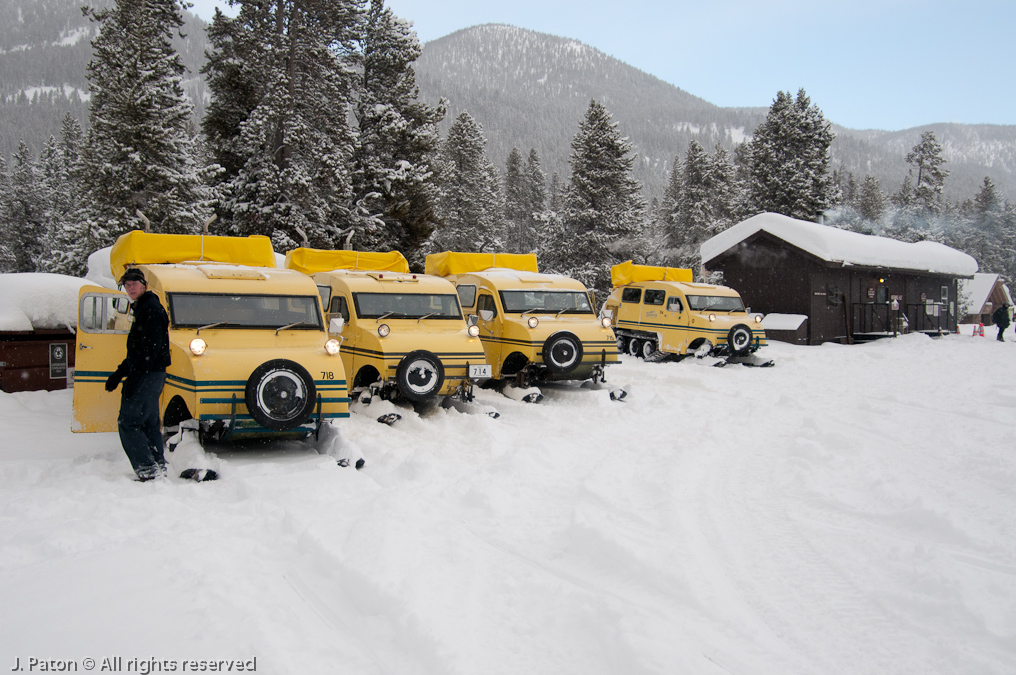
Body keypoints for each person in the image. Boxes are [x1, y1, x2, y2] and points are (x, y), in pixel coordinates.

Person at [105, 268, 172, 481]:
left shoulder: (150, 309)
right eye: (127, 284)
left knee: (129, 423)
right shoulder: (145, 307)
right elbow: (138, 350)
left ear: (144, 285)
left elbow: (150, 350)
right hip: (150, 374)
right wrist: (119, 373)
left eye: (134, 283)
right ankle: (157, 466)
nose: (130, 288)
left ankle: (147, 469)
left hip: (148, 375)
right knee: (149, 422)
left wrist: (134, 378)